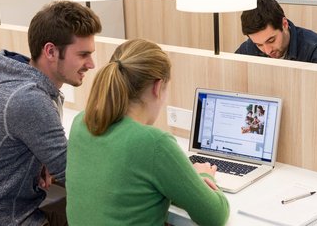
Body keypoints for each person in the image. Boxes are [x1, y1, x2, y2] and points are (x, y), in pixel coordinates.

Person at [66, 39, 230, 226]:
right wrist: (204, 177)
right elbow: (215, 216)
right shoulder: (154, 143)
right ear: (157, 87)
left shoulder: (82, 121)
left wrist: (181, 178)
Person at [0, 0, 102, 226]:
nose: (91, 64)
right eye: (83, 54)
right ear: (50, 51)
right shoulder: (28, 99)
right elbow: (75, 173)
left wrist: (40, 159)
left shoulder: (14, 80)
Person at [235, 0, 317, 66]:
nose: (267, 51)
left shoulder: (316, 49)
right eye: (259, 45)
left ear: (284, 24)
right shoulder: (248, 49)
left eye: (271, 40)